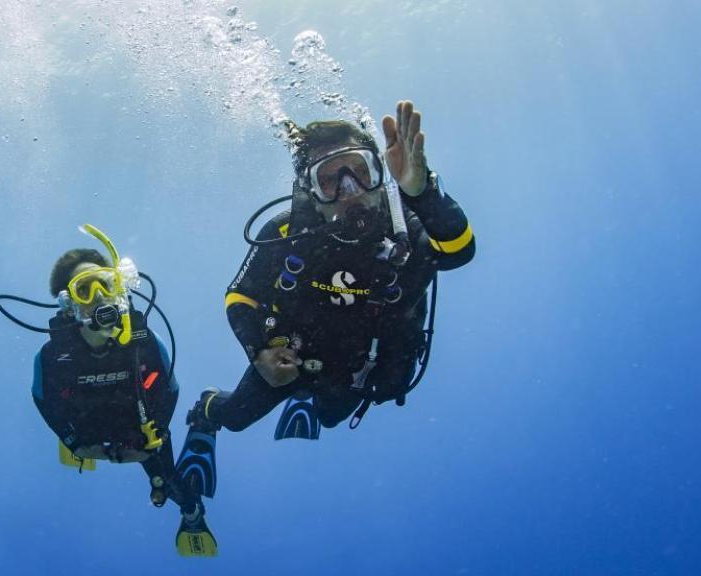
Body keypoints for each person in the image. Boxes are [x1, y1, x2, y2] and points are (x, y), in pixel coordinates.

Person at [176, 101, 475, 484]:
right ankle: (206, 410)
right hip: (292, 359)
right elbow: (240, 296)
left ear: (380, 173)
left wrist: (423, 193)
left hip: (361, 369)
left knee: (331, 417)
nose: (350, 190)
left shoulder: (410, 226)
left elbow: (458, 251)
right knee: (234, 418)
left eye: (361, 171)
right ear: (310, 191)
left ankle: (307, 400)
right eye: (330, 179)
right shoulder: (286, 233)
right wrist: (259, 352)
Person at [30, 224, 217, 557]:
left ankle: (192, 513)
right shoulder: (51, 357)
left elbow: (169, 390)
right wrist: (77, 444)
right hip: (89, 423)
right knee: (87, 441)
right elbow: (45, 402)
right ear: (68, 304)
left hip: (139, 425)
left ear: (118, 286)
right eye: (85, 289)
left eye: (105, 283)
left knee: (166, 482)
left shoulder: (144, 342)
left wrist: (151, 439)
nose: (99, 295)